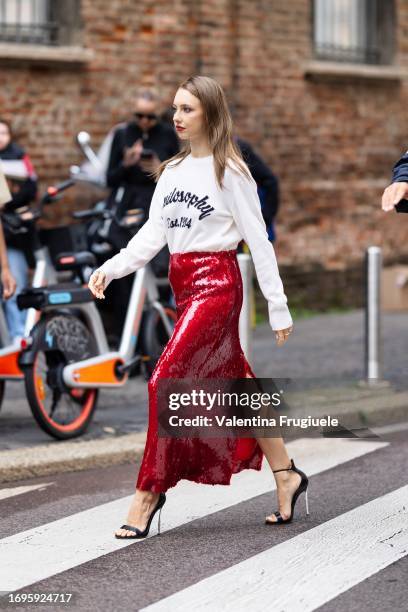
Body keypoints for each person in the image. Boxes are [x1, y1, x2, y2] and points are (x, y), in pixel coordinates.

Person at [89, 75, 309, 539]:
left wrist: (278, 305)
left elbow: (259, 240)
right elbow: (153, 236)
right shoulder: (171, 171)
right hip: (184, 285)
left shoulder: (232, 172)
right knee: (239, 386)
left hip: (218, 285)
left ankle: (149, 492)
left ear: (210, 112)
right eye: (175, 108)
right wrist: (111, 267)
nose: (176, 117)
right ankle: (287, 473)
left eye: (187, 109)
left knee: (164, 378)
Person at [105, 89, 180, 336]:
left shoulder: (168, 134)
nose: (145, 122)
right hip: (127, 207)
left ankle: (161, 332)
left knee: (161, 269)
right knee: (125, 270)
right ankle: (129, 335)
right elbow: (110, 178)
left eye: (150, 117)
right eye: (140, 116)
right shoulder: (123, 133)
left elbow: (178, 177)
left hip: (156, 205)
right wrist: (126, 164)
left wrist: (159, 166)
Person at [0, 120, 37, 340]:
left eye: (4, 132)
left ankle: (18, 339)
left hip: (12, 235)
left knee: (15, 288)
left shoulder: (19, 156)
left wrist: (4, 268)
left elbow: (31, 187)